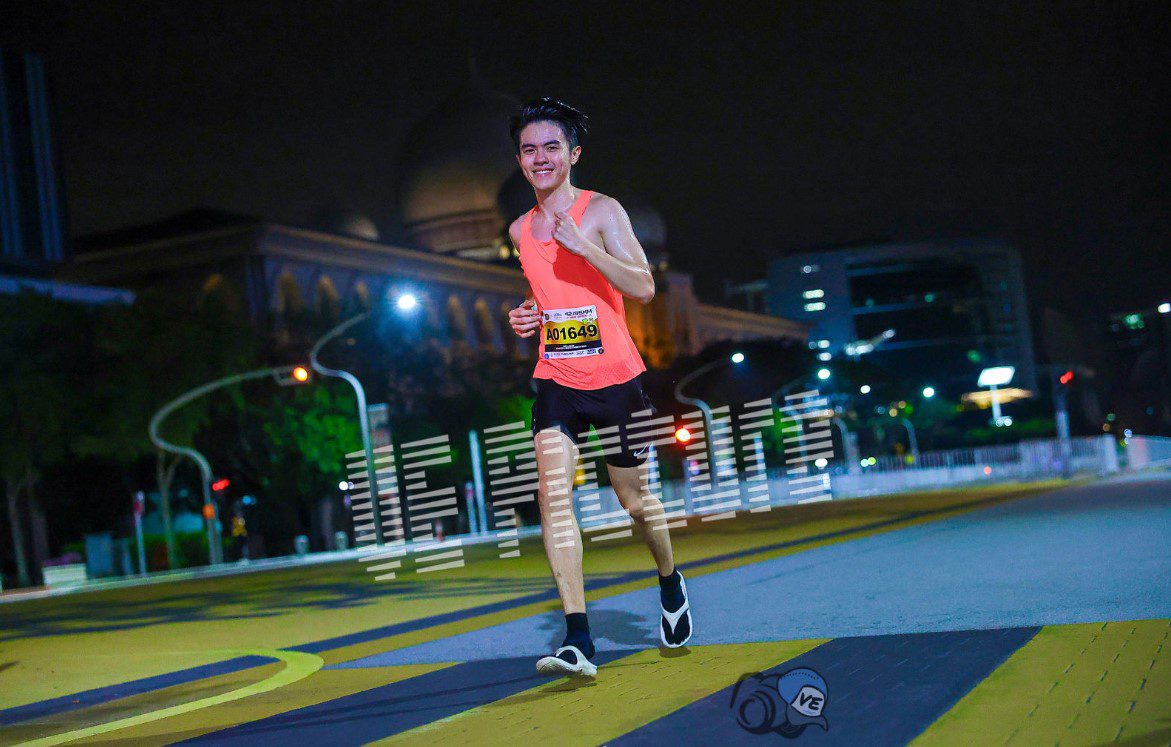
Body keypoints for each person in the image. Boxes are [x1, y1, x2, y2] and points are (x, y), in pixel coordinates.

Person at [506, 98, 692, 678]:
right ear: (520, 159)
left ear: (573, 154)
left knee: (636, 503)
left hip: (616, 379)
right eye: (530, 149)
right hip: (556, 376)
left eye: (551, 147)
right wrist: (528, 317)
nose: (540, 158)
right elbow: (551, 295)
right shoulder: (518, 228)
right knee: (552, 494)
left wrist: (585, 246)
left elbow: (642, 288)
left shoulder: (602, 211)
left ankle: (669, 579)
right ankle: (579, 639)